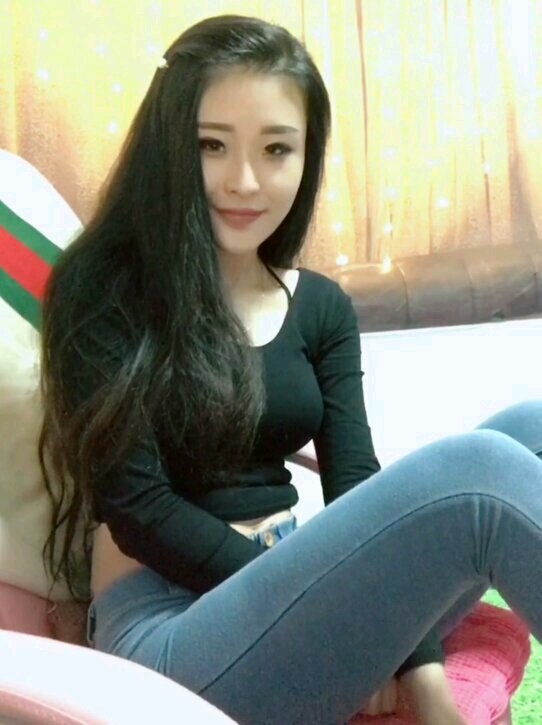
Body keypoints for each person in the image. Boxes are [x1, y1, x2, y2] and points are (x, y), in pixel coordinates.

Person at [38, 14, 542, 725]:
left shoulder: (320, 307)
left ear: (307, 157)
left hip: (293, 583)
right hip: (170, 632)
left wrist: (416, 674)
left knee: (531, 428)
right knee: (479, 472)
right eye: (211, 145)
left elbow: (354, 480)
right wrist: (335, 618)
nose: (245, 181)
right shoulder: (103, 290)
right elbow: (140, 511)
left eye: (276, 149)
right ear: (168, 146)